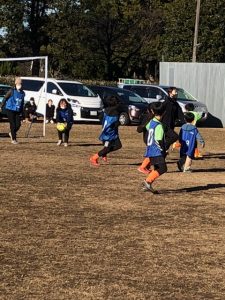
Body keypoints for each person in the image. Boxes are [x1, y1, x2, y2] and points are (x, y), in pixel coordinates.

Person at [142, 102, 167, 194]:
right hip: (156, 151)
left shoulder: (151, 122)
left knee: (157, 168)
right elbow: (158, 140)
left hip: (150, 150)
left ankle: (147, 183)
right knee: (163, 168)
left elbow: (148, 129)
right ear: (164, 112)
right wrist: (163, 150)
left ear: (152, 111)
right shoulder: (159, 126)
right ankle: (147, 181)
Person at [90, 95, 122, 166]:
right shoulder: (114, 112)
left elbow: (100, 117)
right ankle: (94, 157)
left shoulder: (106, 110)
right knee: (107, 148)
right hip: (108, 134)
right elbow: (114, 124)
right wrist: (119, 123)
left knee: (118, 145)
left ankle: (104, 153)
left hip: (113, 133)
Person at [0, 77, 25, 144]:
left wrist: (22, 113)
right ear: (16, 84)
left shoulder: (22, 93)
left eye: (20, 84)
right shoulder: (11, 91)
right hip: (10, 109)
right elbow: (5, 98)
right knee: (13, 124)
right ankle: (13, 139)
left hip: (17, 110)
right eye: (18, 84)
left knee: (18, 125)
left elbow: (22, 103)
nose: (20, 85)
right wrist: (1, 106)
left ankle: (11, 133)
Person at [137, 103, 154, 174]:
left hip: (148, 138)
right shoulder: (149, 117)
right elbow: (140, 129)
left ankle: (146, 166)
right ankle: (142, 167)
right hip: (149, 138)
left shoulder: (148, 117)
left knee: (152, 152)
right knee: (152, 153)